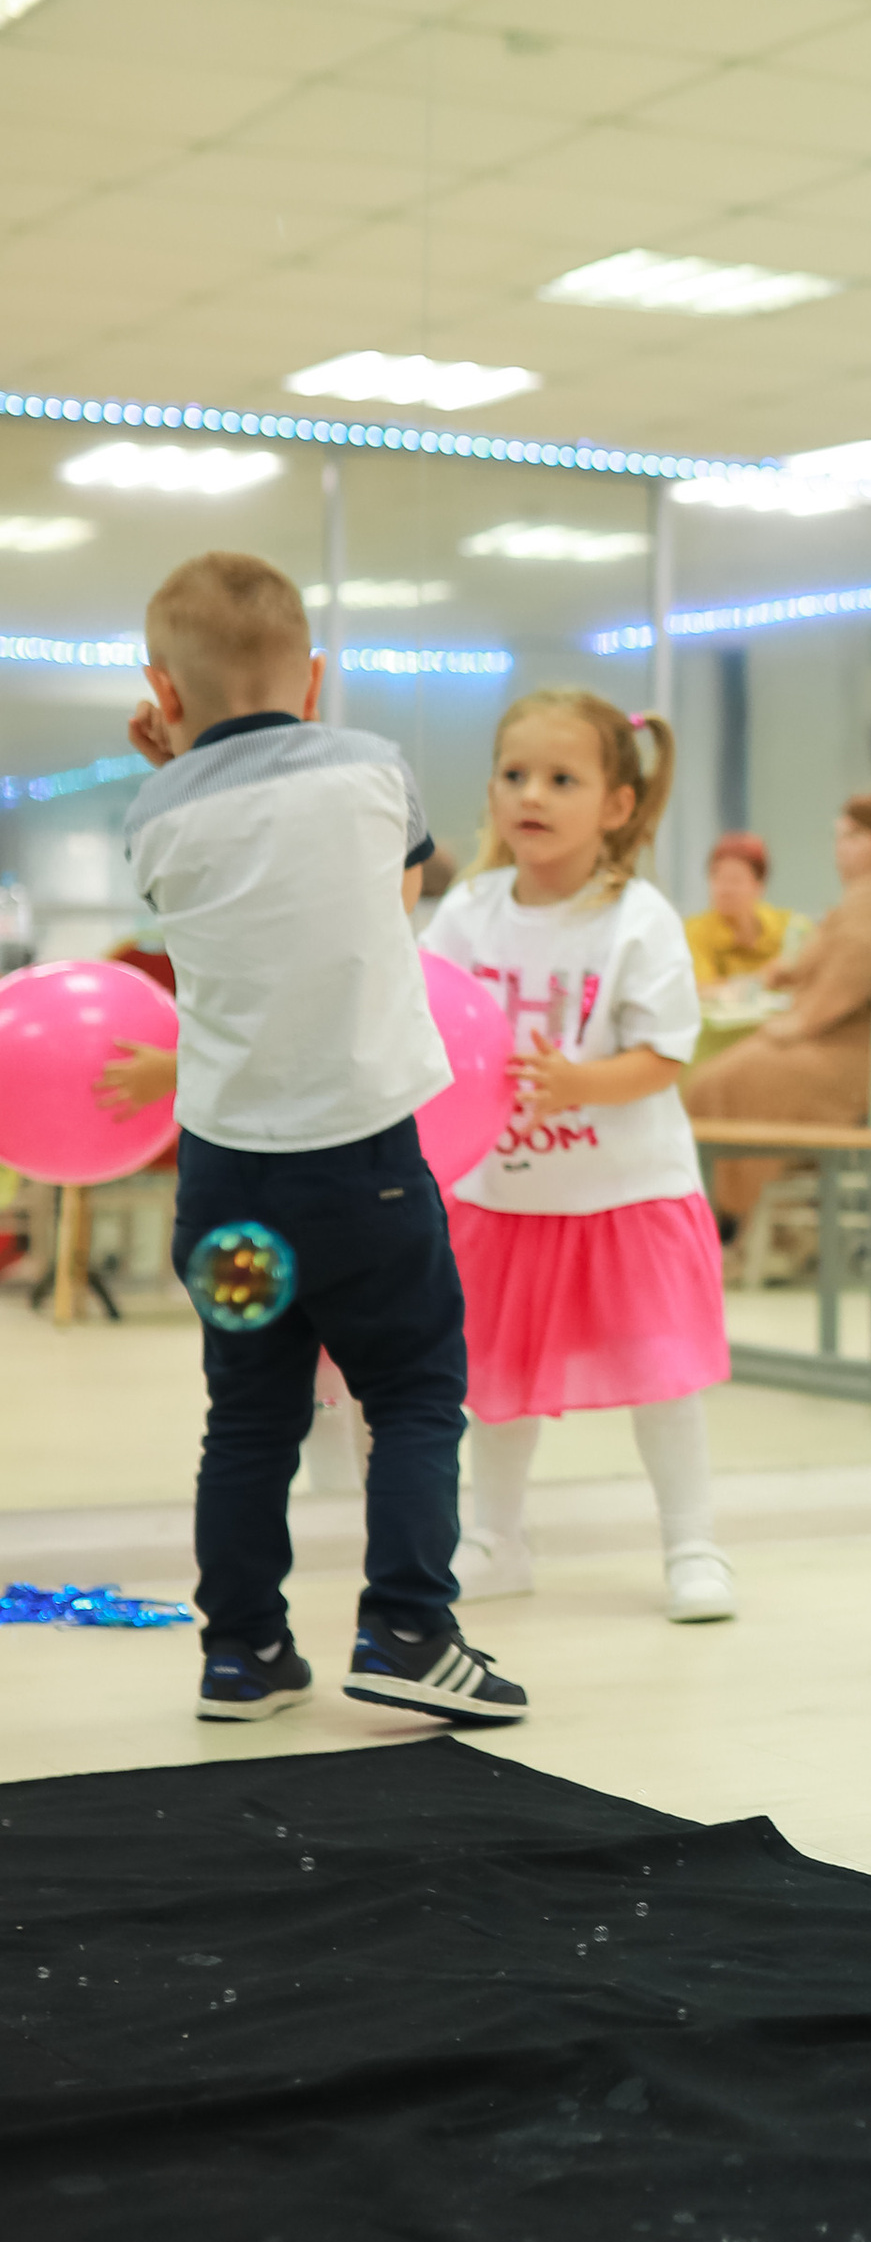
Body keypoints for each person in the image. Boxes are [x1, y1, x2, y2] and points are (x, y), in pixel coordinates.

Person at [119, 548, 528, 1726]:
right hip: (363, 1170)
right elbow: (392, 888)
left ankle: (242, 1655)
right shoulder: (371, 769)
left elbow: (210, 868)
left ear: (164, 690)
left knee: (249, 1412)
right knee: (408, 1390)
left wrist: (178, 759)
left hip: (226, 1175)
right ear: (314, 678)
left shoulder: (153, 807)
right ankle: (408, 1627)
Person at [423, 689, 735, 1623]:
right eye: (516, 775)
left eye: (563, 778)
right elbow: (428, 1022)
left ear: (617, 805)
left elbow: (664, 1053)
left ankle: (693, 1545)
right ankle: (495, 1540)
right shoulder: (466, 913)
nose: (534, 794)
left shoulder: (638, 919)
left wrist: (577, 1085)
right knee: (496, 1384)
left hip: (624, 1193)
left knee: (662, 1377)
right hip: (504, 1194)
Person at [684, 788, 871, 1239]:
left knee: (718, 1083)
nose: (840, 849)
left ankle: (727, 1222)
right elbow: (824, 956)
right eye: (837, 837)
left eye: (853, 836)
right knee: (720, 1077)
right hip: (841, 1039)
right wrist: (791, 975)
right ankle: (731, 1219)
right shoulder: (869, 895)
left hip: (848, 1048)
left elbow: (852, 972)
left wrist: (799, 1021)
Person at [686, 833, 794, 993]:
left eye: (735, 880)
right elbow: (699, 989)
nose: (724, 890)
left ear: (759, 885)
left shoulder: (788, 927)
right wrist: (760, 979)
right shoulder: (694, 932)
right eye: (717, 878)